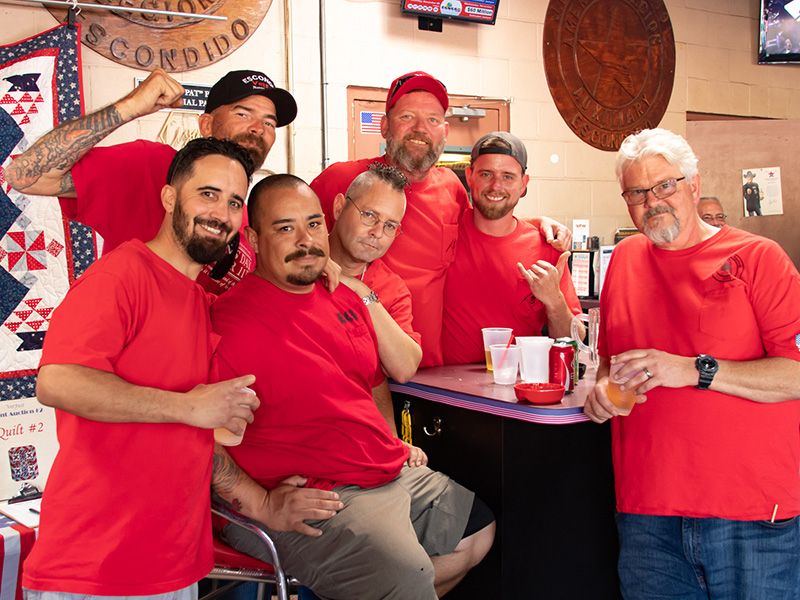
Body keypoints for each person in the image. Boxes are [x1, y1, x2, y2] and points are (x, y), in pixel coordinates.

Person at [210, 175, 495, 600]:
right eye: (285, 228)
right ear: (253, 236)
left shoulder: (345, 298)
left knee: (477, 531)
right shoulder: (224, 324)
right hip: (313, 496)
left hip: (383, 474)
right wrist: (259, 502)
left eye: (312, 224)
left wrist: (392, 443)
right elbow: (196, 436)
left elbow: (373, 380)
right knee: (407, 576)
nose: (305, 240)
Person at [22, 138, 261, 597]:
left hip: (172, 563)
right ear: (170, 197)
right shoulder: (121, 276)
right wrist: (188, 408)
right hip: (95, 568)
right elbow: (57, 381)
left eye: (235, 202)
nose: (221, 212)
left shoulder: (196, 298)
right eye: (207, 194)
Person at [584, 128, 800, 598]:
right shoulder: (622, 260)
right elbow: (608, 363)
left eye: (665, 185)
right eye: (637, 192)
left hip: (750, 515)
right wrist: (601, 392)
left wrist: (692, 369)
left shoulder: (758, 258)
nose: (652, 201)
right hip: (647, 515)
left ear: (694, 186)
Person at [310, 71, 570, 366]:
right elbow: (288, 232)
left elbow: (489, 220)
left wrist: (537, 225)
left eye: (433, 120)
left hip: (427, 372)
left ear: (444, 132)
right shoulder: (342, 179)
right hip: (356, 365)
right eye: (407, 116)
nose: (420, 129)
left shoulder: (450, 188)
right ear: (384, 126)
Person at [6, 68, 297, 295]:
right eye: (243, 114)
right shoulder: (152, 164)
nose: (258, 129)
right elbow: (26, 177)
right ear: (206, 124)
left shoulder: (240, 210)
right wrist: (130, 107)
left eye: (269, 122)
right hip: (130, 361)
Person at [442, 132, 582, 365]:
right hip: (446, 392)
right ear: (470, 177)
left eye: (508, 177)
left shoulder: (547, 247)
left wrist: (554, 301)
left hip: (518, 393)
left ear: (523, 184)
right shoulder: (444, 229)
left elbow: (573, 341)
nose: (496, 186)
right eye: (486, 174)